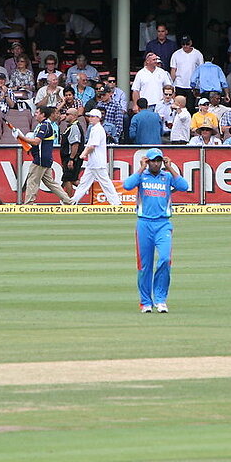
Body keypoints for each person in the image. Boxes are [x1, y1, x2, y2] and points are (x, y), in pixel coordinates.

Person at [124, 149, 190, 313]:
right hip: (144, 224)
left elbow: (184, 186)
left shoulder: (167, 177)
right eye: (152, 161)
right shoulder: (142, 176)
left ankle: (160, 299)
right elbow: (127, 185)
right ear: (147, 161)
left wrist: (171, 168)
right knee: (144, 266)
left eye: (158, 161)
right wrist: (140, 168)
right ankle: (146, 302)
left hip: (163, 224)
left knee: (165, 259)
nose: (155, 163)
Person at [19, 106, 76, 205]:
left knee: (32, 181)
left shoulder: (44, 126)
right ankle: (69, 201)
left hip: (40, 159)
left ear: (43, 115)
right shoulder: (44, 125)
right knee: (51, 183)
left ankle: (28, 204)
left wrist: (21, 137)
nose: (35, 114)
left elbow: (36, 142)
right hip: (45, 158)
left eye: (38, 112)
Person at [71, 108, 123, 207]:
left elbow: (92, 146)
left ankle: (116, 203)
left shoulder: (97, 129)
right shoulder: (94, 128)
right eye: (89, 116)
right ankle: (73, 201)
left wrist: (83, 154)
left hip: (97, 162)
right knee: (84, 183)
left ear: (98, 118)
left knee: (105, 183)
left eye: (92, 117)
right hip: (93, 162)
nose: (90, 118)